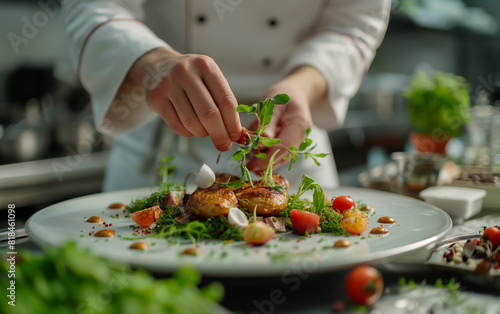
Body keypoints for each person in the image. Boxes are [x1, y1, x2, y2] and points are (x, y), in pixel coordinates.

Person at [60, 0, 390, 192]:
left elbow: (354, 25)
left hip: (289, 144)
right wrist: (153, 64)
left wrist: (302, 86)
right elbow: (92, 5)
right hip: (157, 150)